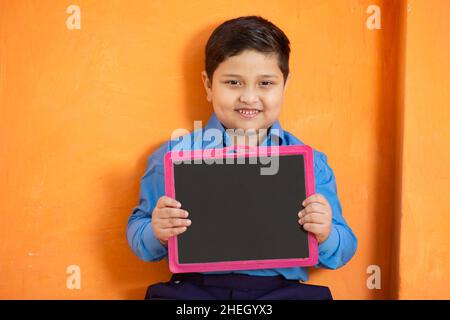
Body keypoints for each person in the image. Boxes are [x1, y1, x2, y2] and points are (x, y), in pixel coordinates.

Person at [126, 15, 357, 300]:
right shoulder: (173, 156)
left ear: (285, 85)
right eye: (233, 82)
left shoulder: (311, 163)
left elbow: (344, 247)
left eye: (265, 83)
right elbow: (138, 233)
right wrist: (156, 231)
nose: (249, 97)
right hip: (195, 290)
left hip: (282, 292)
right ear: (209, 85)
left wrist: (325, 233)